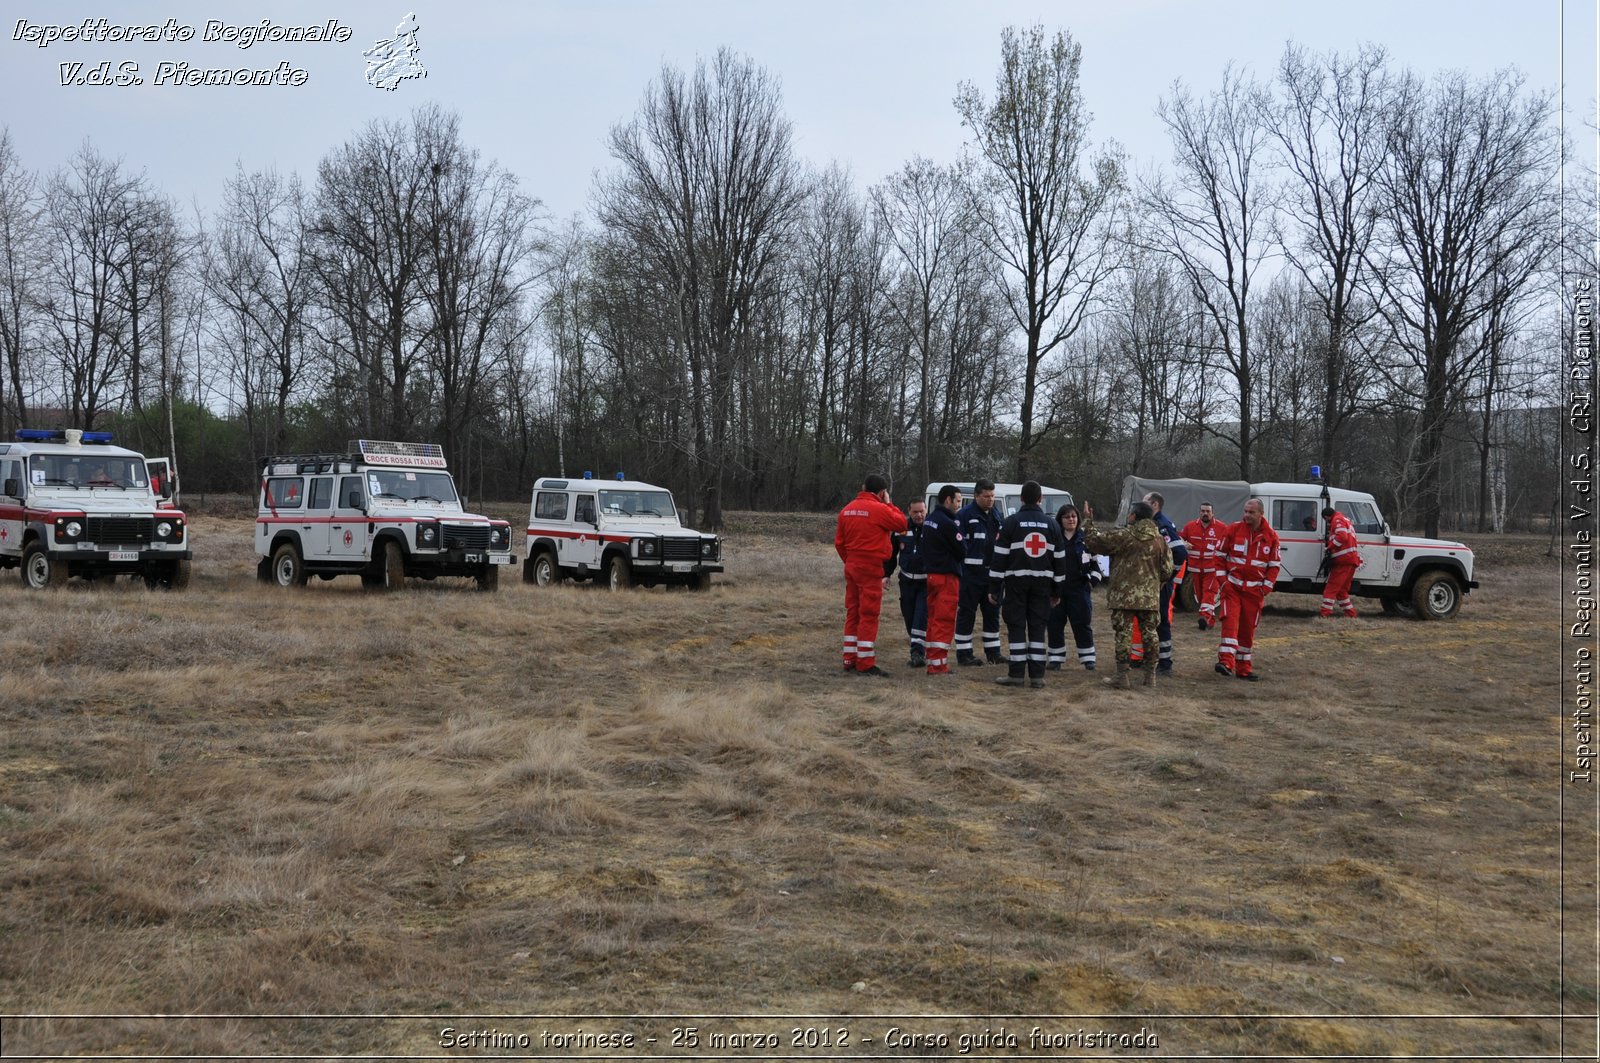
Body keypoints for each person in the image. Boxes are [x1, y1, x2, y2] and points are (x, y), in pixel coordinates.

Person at [1081, 499, 1173, 690]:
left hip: (1123, 597)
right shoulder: (1160, 540)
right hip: (1149, 597)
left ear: (1134, 516)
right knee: (1150, 634)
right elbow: (1167, 570)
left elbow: (1094, 542)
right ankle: (1150, 676)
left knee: (1123, 635)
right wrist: (1154, 584)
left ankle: (1122, 676)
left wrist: (1088, 521)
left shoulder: (1124, 535)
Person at [987, 481, 1065, 688]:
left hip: (1016, 584)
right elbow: (1060, 561)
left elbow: (999, 558)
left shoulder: (1011, 523)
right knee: (1038, 628)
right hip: (1043, 585)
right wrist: (1057, 590)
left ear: (1021, 498)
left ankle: (1016, 675)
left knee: (1016, 627)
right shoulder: (1053, 525)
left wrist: (994, 588)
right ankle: (1038, 676)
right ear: (1041, 499)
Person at [835, 473, 909, 677]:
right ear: (883, 492)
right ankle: (865, 662)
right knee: (869, 614)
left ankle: (849, 658)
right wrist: (889, 504)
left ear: (863, 486)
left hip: (852, 565)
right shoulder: (880, 509)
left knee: (853, 612)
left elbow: (839, 543)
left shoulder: (846, 510)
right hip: (871, 566)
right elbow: (902, 524)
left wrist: (849, 561)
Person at [1215, 497, 1281, 681]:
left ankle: (1243, 668)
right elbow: (1219, 556)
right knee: (1230, 622)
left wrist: (1266, 587)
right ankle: (1226, 662)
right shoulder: (1233, 530)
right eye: (1245, 511)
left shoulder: (1271, 536)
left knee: (1247, 629)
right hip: (1233, 587)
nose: (1247, 515)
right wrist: (1223, 581)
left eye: (1251, 512)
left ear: (1261, 514)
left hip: (1254, 592)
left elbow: (1274, 565)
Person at [1129, 491, 1187, 675]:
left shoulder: (1162, 525)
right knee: (1144, 620)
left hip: (1159, 584)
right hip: (1147, 582)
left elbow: (1180, 553)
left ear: (1154, 505)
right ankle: (1146, 657)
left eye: (1145, 502)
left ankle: (1165, 663)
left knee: (1161, 621)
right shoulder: (1149, 524)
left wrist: (1167, 577)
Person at [955, 479, 1004, 666]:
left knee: (992, 613)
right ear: (976, 496)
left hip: (992, 575)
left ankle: (993, 652)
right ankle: (964, 653)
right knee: (967, 613)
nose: (990, 500)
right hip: (970, 575)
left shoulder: (996, 514)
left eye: (992, 496)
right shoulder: (964, 515)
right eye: (986, 496)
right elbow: (958, 545)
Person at [1047, 504, 1099, 671]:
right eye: (1066, 517)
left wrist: (1091, 582)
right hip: (1057, 591)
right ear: (1060, 520)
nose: (1071, 519)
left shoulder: (1086, 540)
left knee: (1082, 624)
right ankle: (1055, 658)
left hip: (1079, 591)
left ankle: (1088, 658)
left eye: (1073, 516)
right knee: (1054, 624)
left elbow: (1097, 567)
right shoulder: (1053, 539)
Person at [921, 485, 966, 675]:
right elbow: (962, 550)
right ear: (947, 500)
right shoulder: (948, 522)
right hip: (946, 577)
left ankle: (932, 658)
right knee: (944, 620)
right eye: (957, 500)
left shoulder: (930, 519)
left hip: (931, 575)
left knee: (932, 619)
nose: (959, 505)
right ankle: (938, 665)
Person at [891, 499, 929, 666]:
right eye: (915, 512)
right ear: (909, 511)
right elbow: (890, 555)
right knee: (909, 616)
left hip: (926, 583)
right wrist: (885, 575)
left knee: (920, 616)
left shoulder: (932, 529)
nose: (919, 515)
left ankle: (917, 653)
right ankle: (917, 642)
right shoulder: (901, 530)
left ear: (926, 510)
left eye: (922, 511)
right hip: (906, 582)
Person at [1181, 502, 1230, 631]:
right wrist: (1183, 543)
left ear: (1213, 513)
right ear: (1199, 512)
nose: (1205, 513)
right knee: (1201, 597)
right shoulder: (1190, 526)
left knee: (1209, 593)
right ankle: (1210, 620)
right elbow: (1179, 539)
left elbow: (1228, 543)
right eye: (1203, 511)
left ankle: (1203, 616)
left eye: (1208, 511)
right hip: (1195, 569)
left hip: (1213, 568)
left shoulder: (1221, 528)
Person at [1319, 505, 1361, 618]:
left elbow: (1342, 537)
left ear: (1327, 517)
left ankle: (1324, 614)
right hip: (1351, 560)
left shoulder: (1337, 520)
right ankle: (1351, 615)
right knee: (1342, 591)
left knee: (1330, 590)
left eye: (1326, 520)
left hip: (1343, 561)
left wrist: (1330, 547)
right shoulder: (1345, 520)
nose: (1327, 523)